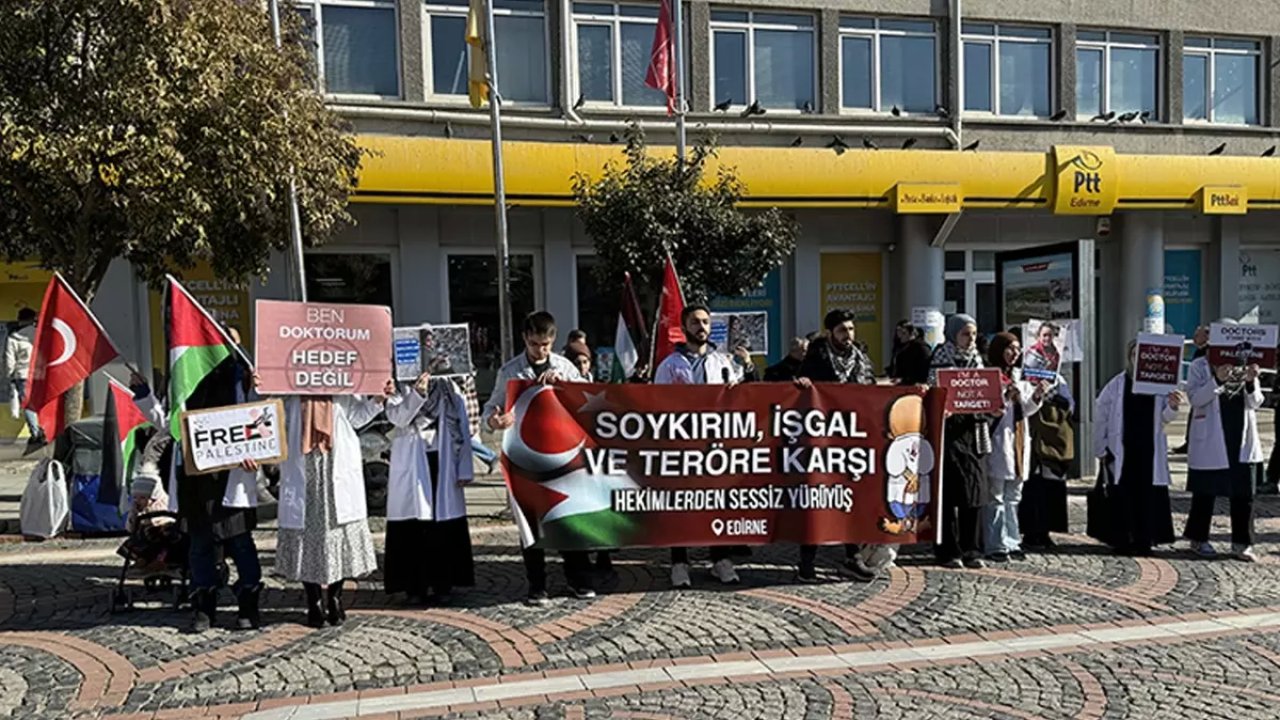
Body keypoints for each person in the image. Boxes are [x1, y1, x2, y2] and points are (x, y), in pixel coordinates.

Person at [485, 311, 596, 605]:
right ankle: (537, 585)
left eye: (546, 344)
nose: (541, 350)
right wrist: (496, 422)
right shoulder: (509, 372)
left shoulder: (565, 367)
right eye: (535, 344)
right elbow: (491, 409)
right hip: (523, 457)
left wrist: (565, 389)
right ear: (525, 339)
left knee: (569, 519)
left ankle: (578, 580)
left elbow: (586, 403)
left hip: (563, 458)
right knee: (529, 523)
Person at [654, 304, 756, 588]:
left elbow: (743, 397)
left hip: (715, 448)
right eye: (696, 322)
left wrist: (742, 378)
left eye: (706, 322)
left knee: (718, 504)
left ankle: (720, 559)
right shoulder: (669, 366)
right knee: (681, 505)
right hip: (683, 446)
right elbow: (656, 405)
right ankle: (679, 562)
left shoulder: (723, 362)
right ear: (684, 327)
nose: (702, 327)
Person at [270, 391, 383, 628]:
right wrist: (260, 386)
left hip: (336, 465)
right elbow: (271, 415)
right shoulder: (288, 388)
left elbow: (358, 417)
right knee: (306, 534)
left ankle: (334, 597)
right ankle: (313, 602)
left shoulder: (344, 385)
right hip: (304, 467)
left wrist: (378, 400)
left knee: (338, 532)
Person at [795, 309, 878, 583]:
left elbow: (872, 389)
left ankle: (852, 557)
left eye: (851, 330)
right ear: (831, 333)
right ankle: (807, 561)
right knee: (817, 498)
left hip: (854, 441)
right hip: (821, 441)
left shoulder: (861, 358)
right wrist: (803, 385)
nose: (848, 335)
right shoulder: (816, 359)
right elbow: (799, 388)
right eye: (843, 330)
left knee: (851, 497)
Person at [383, 372, 475, 605]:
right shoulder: (397, 383)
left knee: (442, 525)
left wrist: (465, 467)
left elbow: (463, 426)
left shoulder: (449, 385)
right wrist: (417, 393)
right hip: (412, 459)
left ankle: (443, 583)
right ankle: (414, 586)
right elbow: (397, 418)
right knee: (414, 525)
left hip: (443, 459)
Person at [1182, 321, 1266, 561]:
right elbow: (1196, 398)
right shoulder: (1200, 365)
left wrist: (1251, 381)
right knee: (1205, 492)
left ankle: (1242, 543)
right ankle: (1198, 538)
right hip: (1210, 438)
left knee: (1243, 494)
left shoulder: (1246, 365)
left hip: (1240, 437)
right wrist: (1216, 381)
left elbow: (1256, 402)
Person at [1093, 340, 1181, 555]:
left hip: (1149, 449)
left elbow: (1165, 418)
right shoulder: (1117, 384)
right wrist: (1100, 447)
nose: (1137, 358)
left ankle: (1144, 539)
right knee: (1124, 494)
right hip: (1122, 448)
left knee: (1147, 495)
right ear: (1130, 357)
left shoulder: (1159, 386)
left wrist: (1173, 405)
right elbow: (1101, 415)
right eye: (1134, 354)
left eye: (1141, 354)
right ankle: (1123, 539)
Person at [930, 314, 993, 569]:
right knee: (947, 494)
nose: (970, 339)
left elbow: (987, 396)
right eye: (965, 334)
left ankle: (972, 549)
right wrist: (940, 407)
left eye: (974, 334)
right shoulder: (939, 361)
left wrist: (992, 407)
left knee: (974, 493)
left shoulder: (978, 362)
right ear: (953, 334)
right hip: (947, 435)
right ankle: (948, 550)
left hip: (974, 433)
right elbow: (929, 394)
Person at [983, 333, 1045, 563]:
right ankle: (995, 543)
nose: (1014, 353)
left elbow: (1027, 409)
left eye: (1017, 349)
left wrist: (1037, 396)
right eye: (1009, 349)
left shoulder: (1020, 377)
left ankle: (1012, 540)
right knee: (995, 495)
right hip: (999, 440)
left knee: (1014, 496)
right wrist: (1005, 397)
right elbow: (988, 406)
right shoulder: (990, 375)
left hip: (1018, 439)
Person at [1019, 368, 1076, 550]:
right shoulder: (1023, 375)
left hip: (1052, 439)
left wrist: (1056, 399)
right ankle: (1030, 531)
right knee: (1031, 486)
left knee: (1050, 488)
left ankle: (1045, 531)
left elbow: (1070, 405)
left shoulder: (1057, 379)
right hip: (1032, 435)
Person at [6, 308, 45, 449]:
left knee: (28, 404)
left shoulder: (13, 338)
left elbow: (10, 361)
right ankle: (45, 428)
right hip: (40, 374)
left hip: (22, 375)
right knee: (40, 402)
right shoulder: (40, 334)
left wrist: (10, 375)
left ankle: (36, 433)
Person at [1172, 325, 1210, 455]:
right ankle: (1189, 442)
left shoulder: (1207, 352)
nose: (1194, 338)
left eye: (1197, 335)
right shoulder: (1199, 351)